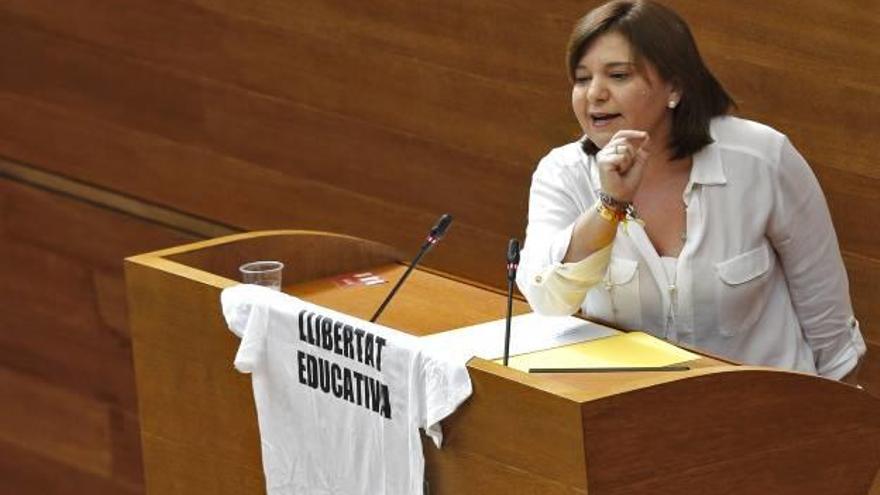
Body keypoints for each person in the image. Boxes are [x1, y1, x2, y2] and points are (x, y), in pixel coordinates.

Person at [516, 0, 865, 382]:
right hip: (636, 413)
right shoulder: (562, 173)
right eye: (582, 79)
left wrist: (831, 425)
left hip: (768, 412)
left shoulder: (761, 158)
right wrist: (610, 203)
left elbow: (827, 321)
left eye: (617, 75)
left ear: (675, 87)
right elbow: (548, 299)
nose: (594, 94)